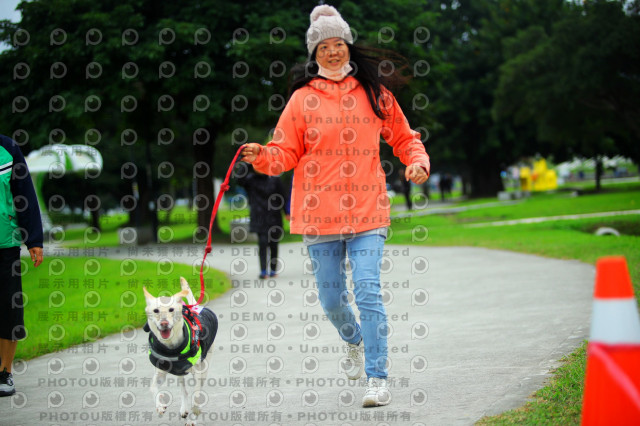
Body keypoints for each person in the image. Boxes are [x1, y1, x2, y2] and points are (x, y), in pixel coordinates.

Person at [241, 5, 430, 407]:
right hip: (318, 215)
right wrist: (261, 155)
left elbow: (404, 137)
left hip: (368, 211)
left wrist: (417, 161)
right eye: (323, 46)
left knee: (368, 291)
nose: (332, 51)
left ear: (348, 46)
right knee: (331, 301)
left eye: (338, 43)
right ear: (314, 54)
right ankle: (354, 340)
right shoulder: (302, 100)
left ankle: (377, 378)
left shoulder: (375, 93)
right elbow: (283, 154)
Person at [0, 134, 44, 397]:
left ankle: (4, 372)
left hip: (5, 244)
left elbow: (24, 194)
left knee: (9, 307)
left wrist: (34, 239)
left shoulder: (8, 149)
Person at [236, 164, 290, 279]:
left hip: (274, 216)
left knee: (274, 244)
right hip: (259, 216)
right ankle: (263, 270)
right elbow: (239, 180)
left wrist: (287, 212)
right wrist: (246, 163)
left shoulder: (274, 179)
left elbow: (283, 197)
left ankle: (273, 269)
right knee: (262, 243)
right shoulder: (250, 180)